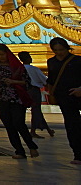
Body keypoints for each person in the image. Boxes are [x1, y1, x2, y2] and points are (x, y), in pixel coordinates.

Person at [0, 44, 38, 159]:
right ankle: (19, 150)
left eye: (2, 54)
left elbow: (27, 82)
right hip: (0, 98)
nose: (0, 57)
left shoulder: (17, 66)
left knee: (19, 123)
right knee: (9, 125)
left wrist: (13, 81)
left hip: (16, 98)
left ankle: (31, 146)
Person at [47, 37, 81, 165]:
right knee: (72, 126)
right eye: (56, 50)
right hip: (64, 97)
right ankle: (78, 153)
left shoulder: (77, 61)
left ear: (67, 48)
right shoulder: (52, 62)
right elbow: (51, 79)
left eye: (61, 49)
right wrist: (51, 94)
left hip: (79, 94)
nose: (59, 53)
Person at [18, 51, 53, 139]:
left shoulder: (19, 68)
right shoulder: (34, 69)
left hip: (23, 90)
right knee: (36, 110)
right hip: (33, 90)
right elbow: (45, 81)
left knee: (35, 110)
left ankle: (48, 129)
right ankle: (33, 131)